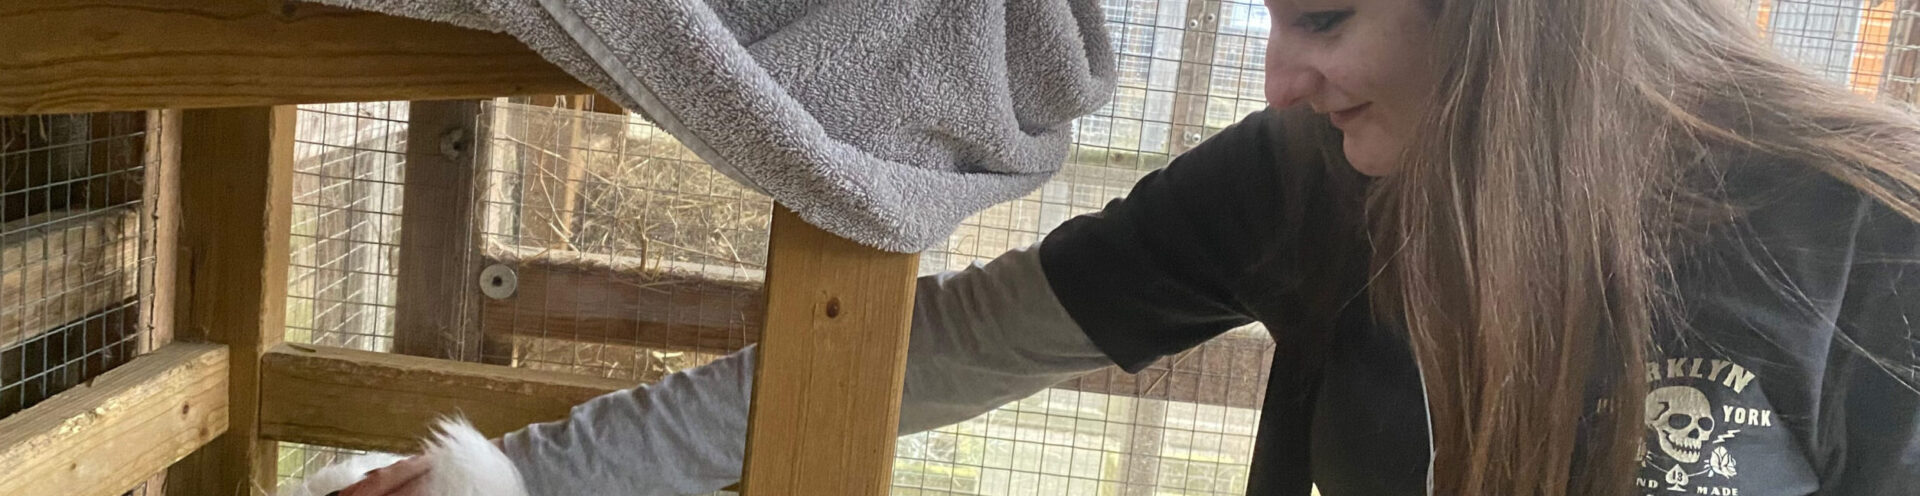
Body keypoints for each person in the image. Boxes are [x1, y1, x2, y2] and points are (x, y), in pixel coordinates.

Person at [343, 0, 1920, 494]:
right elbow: (938, 355)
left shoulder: (1872, 233)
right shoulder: (1303, 176)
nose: (1280, 76)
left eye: (1325, 17)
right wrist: (532, 480)